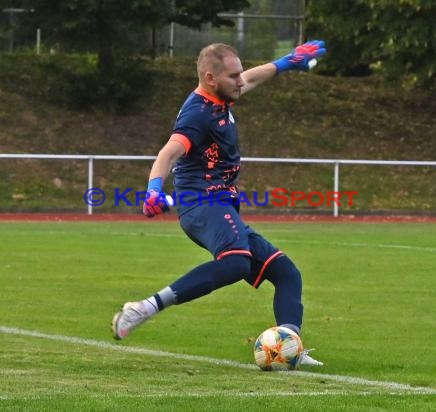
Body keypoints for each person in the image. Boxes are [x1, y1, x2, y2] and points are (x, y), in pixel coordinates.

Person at [112, 41, 327, 366]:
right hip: (201, 202)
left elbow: (253, 78)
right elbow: (168, 152)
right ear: (211, 78)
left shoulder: (222, 96)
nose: (242, 81)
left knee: (287, 273)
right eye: (234, 76)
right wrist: (154, 188)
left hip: (220, 202)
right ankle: (144, 307)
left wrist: (287, 62)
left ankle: (288, 345)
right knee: (237, 261)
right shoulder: (199, 114)